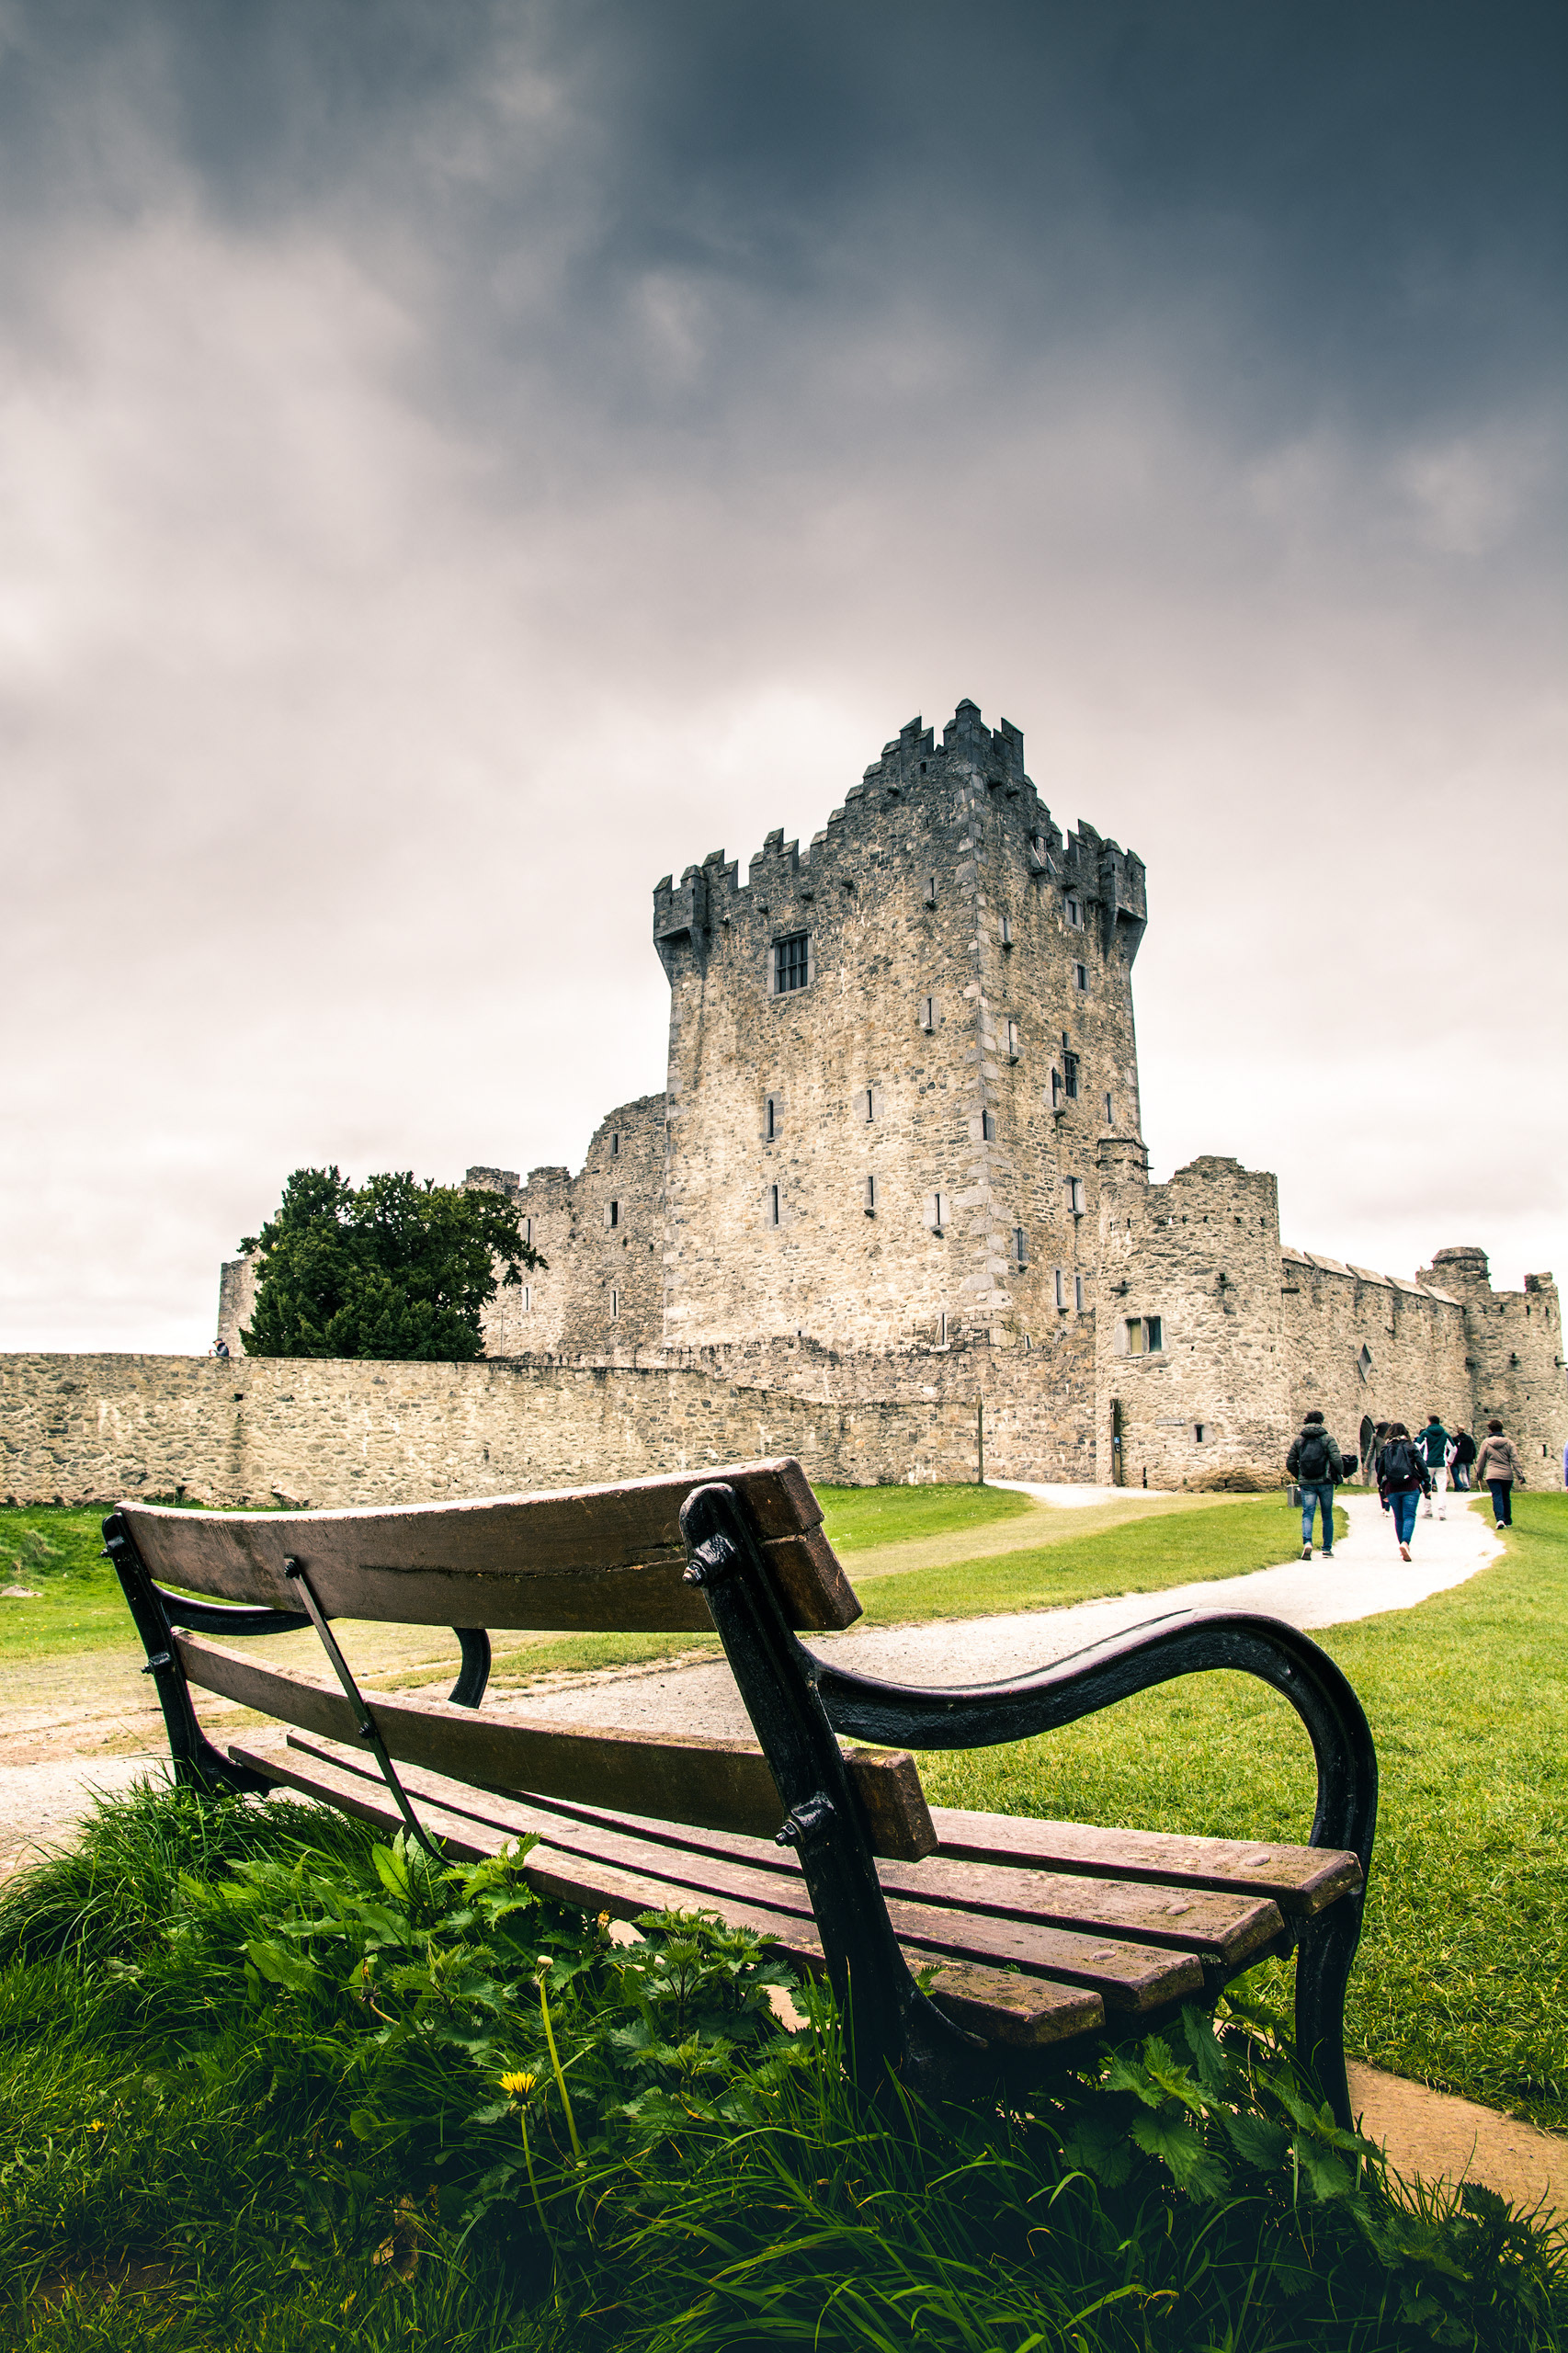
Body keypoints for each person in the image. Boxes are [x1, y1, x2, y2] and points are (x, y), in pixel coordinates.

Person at [1286, 1409, 1344, 1559]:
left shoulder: (1299, 1440)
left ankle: (1307, 1542)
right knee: (1327, 1515)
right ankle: (1326, 1548)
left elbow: (1290, 1461)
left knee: (1308, 1513)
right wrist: (1340, 1472)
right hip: (1325, 1481)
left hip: (1307, 1482)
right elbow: (1336, 1459)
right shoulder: (1327, 1438)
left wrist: (1300, 1475)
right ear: (1321, 1421)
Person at [1376, 1422, 1429, 1562]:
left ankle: (1402, 1545)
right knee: (1409, 1516)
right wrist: (1427, 1484)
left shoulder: (1385, 1448)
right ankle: (1405, 1543)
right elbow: (1422, 1465)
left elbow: (1380, 1470)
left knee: (1398, 1517)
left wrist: (1381, 1489)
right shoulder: (1411, 1446)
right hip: (1410, 1486)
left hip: (1392, 1487)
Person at [1473, 1419, 1525, 1529]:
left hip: (1492, 1474)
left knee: (1497, 1496)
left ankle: (1500, 1519)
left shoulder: (1486, 1443)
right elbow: (1515, 1460)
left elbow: (1481, 1460)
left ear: (1490, 1429)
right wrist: (1520, 1475)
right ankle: (1507, 1520)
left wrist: (1479, 1475)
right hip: (1506, 1474)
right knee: (1506, 1496)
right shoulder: (1509, 1443)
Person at [1415, 1412, 1454, 1518]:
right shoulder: (1445, 1434)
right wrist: (1449, 1460)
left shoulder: (1426, 1434)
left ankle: (1428, 1510)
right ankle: (1442, 1512)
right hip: (1441, 1464)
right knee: (1442, 1489)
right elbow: (1454, 1449)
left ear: (1430, 1422)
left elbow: (1417, 1446)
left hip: (1428, 1464)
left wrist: (1418, 1460)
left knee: (1427, 1487)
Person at [1450, 1427, 1476, 1492]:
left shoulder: (1456, 1439)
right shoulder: (1469, 1438)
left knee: (1463, 1472)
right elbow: (1474, 1448)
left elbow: (1454, 1449)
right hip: (1469, 1458)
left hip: (1460, 1459)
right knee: (1467, 1472)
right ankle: (1468, 1485)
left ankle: (1466, 1485)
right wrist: (1473, 1456)